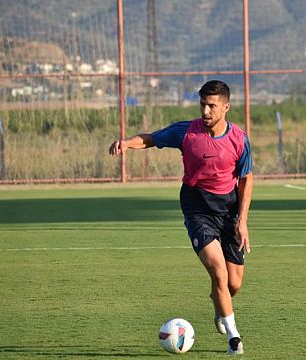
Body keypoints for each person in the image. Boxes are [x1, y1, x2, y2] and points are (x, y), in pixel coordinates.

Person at [109, 80, 253, 355]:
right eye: (203, 104)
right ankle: (234, 337)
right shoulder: (186, 132)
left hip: (229, 212)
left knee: (233, 284)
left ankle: (219, 306)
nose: (206, 111)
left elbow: (246, 179)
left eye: (212, 105)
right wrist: (127, 143)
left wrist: (242, 220)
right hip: (197, 208)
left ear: (226, 107)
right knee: (218, 272)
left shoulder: (239, 139)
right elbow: (151, 138)